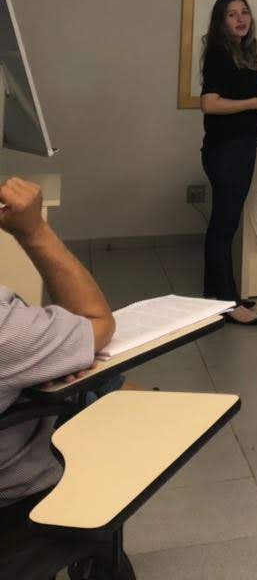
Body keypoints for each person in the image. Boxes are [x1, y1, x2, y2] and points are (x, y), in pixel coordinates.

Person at [0, 176, 115, 529]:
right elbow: (95, 323)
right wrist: (33, 229)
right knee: (129, 403)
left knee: (112, 381)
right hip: (21, 490)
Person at [200, 0, 257, 326]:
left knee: (225, 224)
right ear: (221, 22)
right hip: (226, 149)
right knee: (223, 225)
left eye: (244, 12)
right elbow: (209, 104)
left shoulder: (244, 52)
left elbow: (238, 96)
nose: (241, 18)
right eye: (232, 14)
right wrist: (256, 103)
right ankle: (228, 304)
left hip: (241, 146)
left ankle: (216, 296)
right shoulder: (219, 54)